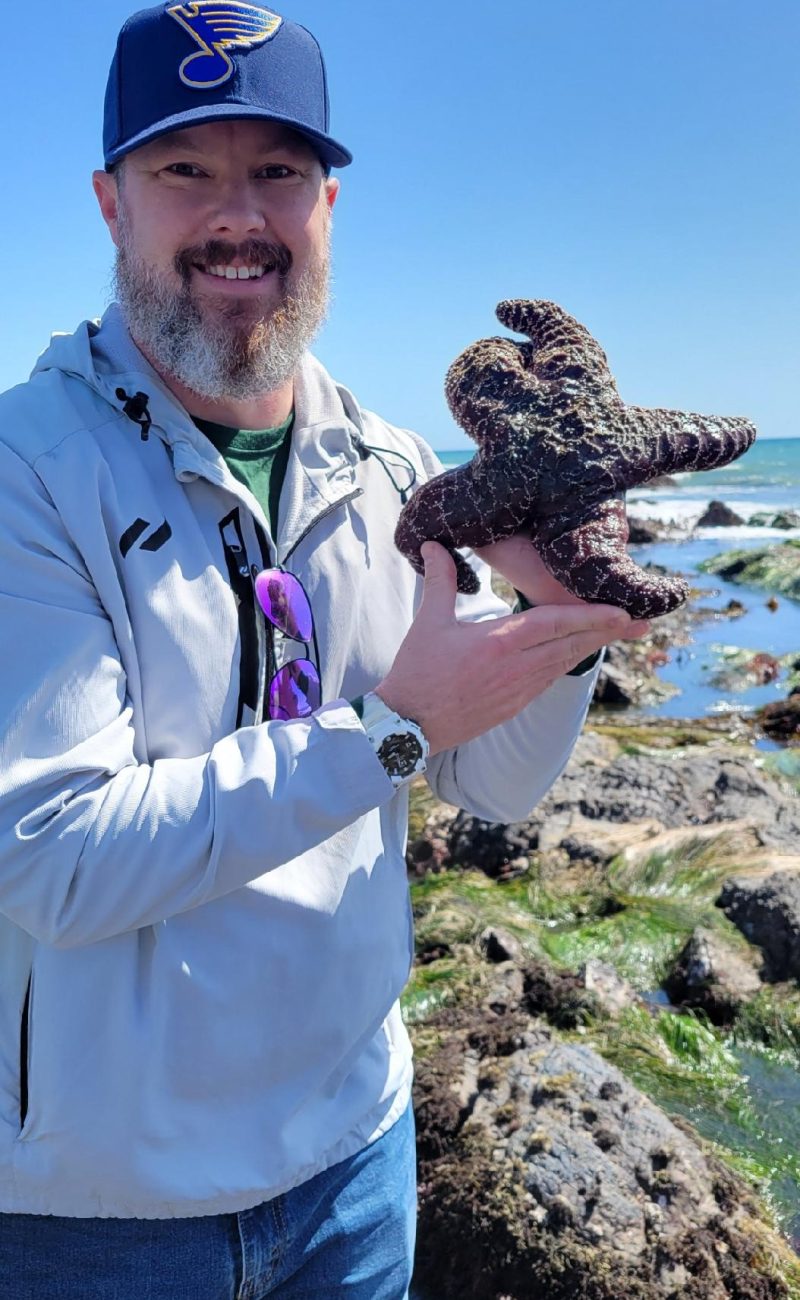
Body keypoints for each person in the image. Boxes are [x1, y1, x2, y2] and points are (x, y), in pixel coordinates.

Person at [0, 3, 649, 1296]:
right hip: (95, 1219)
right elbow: (55, 858)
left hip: (356, 1168)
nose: (238, 214)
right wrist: (387, 730)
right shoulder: (30, 470)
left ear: (330, 206)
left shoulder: (399, 473)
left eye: (278, 171)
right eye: (185, 168)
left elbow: (491, 786)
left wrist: (572, 627)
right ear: (110, 202)